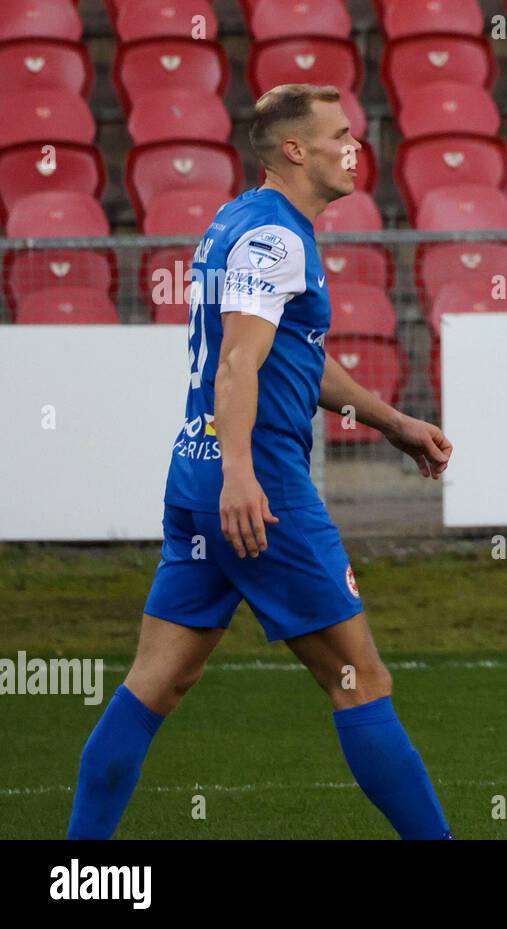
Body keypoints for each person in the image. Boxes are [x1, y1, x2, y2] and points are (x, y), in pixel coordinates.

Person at [67, 84, 456, 840]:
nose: (356, 147)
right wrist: (244, 473)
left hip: (196, 472)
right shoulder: (277, 239)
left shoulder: (237, 223)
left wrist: (392, 421)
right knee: (359, 679)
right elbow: (239, 365)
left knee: (156, 681)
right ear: (294, 150)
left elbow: (290, 354)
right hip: (259, 483)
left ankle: (78, 871)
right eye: (341, 134)